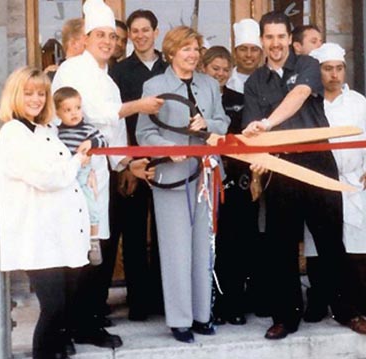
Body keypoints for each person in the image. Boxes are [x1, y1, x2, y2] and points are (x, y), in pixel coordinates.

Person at [242, 11, 366, 340]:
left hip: (317, 162)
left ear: (290, 39)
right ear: (262, 41)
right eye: (269, 37)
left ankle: (347, 311)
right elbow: (251, 130)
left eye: (281, 37)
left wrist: (268, 125)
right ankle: (285, 317)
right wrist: (257, 155)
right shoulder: (254, 81)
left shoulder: (307, 66)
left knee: (331, 242)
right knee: (281, 247)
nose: (275, 43)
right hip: (281, 169)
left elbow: (298, 96)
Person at [51, 0, 160, 347]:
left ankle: (88, 323)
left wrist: (128, 164)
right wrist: (139, 106)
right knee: (77, 251)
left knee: (100, 252)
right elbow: (96, 114)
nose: (107, 42)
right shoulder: (72, 69)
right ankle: (64, 329)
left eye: (112, 37)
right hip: (75, 175)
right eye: (100, 35)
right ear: (86, 36)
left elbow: (113, 135)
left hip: (101, 175)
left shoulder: (108, 79)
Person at [136, 26, 230, 344]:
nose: (192, 54)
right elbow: (144, 133)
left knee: (203, 247)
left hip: (205, 174)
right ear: (172, 51)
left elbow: (223, 122)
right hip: (172, 178)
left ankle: (203, 315)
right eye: (186, 49)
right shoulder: (155, 85)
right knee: (176, 249)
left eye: (196, 49)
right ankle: (179, 320)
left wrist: (208, 124)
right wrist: (168, 149)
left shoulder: (209, 84)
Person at [0, 66, 91, 359]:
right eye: (28, 93)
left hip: (60, 234)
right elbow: (47, 177)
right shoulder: (13, 133)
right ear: (15, 95)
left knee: (63, 310)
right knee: (53, 309)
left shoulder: (45, 130)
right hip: (38, 237)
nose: (36, 99)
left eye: (41, 93)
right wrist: (76, 161)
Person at [301, 43, 366, 328]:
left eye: (339, 69)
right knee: (319, 250)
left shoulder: (358, 102)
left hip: (353, 183)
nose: (334, 75)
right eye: (328, 69)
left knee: (356, 247)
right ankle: (319, 299)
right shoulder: (309, 103)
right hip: (320, 186)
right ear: (318, 71)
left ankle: (361, 298)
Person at [108, 8, 168, 321]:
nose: (141, 35)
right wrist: (127, 161)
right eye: (135, 31)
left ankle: (163, 299)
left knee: (164, 232)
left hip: (167, 162)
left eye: (146, 30)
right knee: (133, 234)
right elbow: (118, 120)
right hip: (133, 162)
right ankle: (140, 302)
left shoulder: (168, 67)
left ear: (155, 32)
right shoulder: (119, 72)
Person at [202, 46, 259, 325]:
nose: (221, 74)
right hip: (204, 181)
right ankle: (208, 305)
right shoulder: (198, 99)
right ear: (204, 69)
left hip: (236, 181)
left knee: (236, 244)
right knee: (209, 245)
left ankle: (233, 304)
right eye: (215, 69)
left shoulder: (240, 98)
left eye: (226, 69)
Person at [55, 86, 108, 266]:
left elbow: (104, 141)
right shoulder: (56, 132)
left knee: (91, 206)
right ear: (58, 113)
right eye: (68, 110)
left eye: (77, 108)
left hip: (83, 174)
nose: (74, 113)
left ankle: (94, 240)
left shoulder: (87, 129)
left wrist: (91, 142)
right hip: (65, 175)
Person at [226, 18, 263, 94]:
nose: (248, 55)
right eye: (243, 49)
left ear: (261, 54)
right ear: (235, 52)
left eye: (254, 49)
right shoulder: (225, 80)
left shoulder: (271, 82)